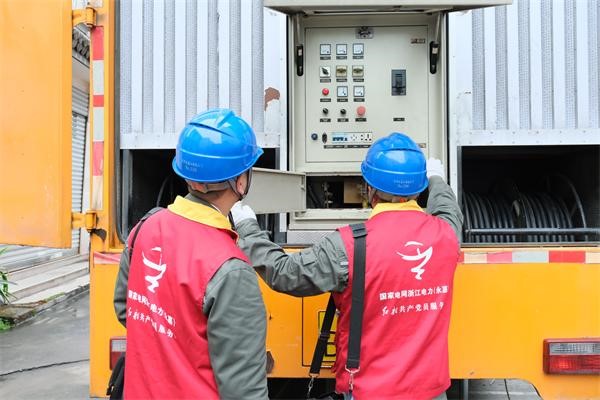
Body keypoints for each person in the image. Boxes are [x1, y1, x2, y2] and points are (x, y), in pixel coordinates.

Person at [232, 132, 463, 400]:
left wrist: (248, 228)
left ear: (370, 188)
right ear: (419, 189)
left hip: (369, 393)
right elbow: (449, 210)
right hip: (431, 393)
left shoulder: (349, 245)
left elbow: (285, 273)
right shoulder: (445, 235)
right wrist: (437, 180)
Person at [113, 108, 269, 399]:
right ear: (240, 181)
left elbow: (126, 309)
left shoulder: (145, 228)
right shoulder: (230, 268)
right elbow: (243, 389)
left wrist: (171, 343)